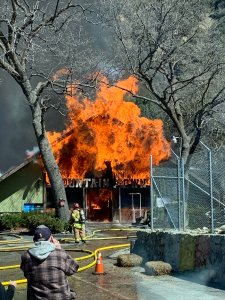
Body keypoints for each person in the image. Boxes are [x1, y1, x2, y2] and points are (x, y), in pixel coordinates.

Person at [20, 225, 79, 300]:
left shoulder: (26, 256)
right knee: (71, 293)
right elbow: (74, 269)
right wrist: (60, 249)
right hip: (60, 298)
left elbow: (26, 274)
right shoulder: (60, 254)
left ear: (34, 239)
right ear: (51, 238)